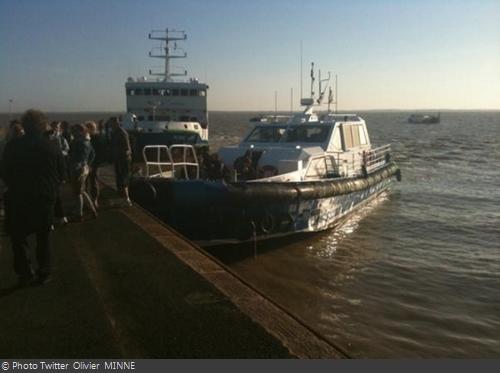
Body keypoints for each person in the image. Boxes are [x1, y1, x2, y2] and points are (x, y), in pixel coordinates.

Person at [1, 109, 64, 286]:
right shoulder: (52, 146)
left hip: (18, 197)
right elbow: (61, 174)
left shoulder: (12, 146)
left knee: (19, 238)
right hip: (45, 198)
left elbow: (4, 171)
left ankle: (25, 273)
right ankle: (44, 272)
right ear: (43, 126)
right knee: (43, 238)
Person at [68, 123, 97, 221]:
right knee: (81, 191)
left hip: (77, 168)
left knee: (77, 192)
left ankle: (79, 214)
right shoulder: (87, 141)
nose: (73, 132)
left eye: (75, 130)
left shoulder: (77, 142)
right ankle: (92, 210)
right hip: (84, 168)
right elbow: (93, 154)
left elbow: (72, 155)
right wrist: (87, 164)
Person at [46, 121, 69, 225]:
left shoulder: (62, 138)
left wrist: (59, 153)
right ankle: (57, 217)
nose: (56, 129)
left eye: (57, 127)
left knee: (54, 195)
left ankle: (58, 217)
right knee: (53, 195)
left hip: (56, 168)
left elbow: (66, 150)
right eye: (54, 127)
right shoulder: (48, 138)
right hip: (51, 169)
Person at [109, 117, 132, 205]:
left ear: (116, 123)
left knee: (123, 179)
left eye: (112, 124)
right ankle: (122, 198)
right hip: (118, 158)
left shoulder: (122, 133)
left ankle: (127, 199)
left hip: (123, 159)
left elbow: (127, 148)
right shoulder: (114, 133)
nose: (111, 126)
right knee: (119, 179)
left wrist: (121, 155)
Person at [85, 121, 107, 208]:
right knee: (90, 183)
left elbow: (98, 152)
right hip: (90, 163)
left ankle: (93, 201)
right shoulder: (97, 137)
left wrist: (94, 164)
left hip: (93, 163)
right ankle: (91, 201)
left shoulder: (95, 138)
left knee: (92, 182)